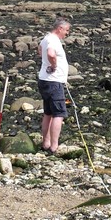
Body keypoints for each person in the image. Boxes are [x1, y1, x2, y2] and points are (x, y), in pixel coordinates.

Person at [37, 17, 72, 155]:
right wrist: (53, 65)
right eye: (67, 30)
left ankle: (46, 143)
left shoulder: (46, 38)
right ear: (60, 28)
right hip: (53, 81)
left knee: (48, 113)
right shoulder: (53, 40)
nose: (67, 33)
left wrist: (45, 61)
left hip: (44, 80)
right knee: (59, 113)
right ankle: (54, 146)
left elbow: (40, 49)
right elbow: (51, 53)